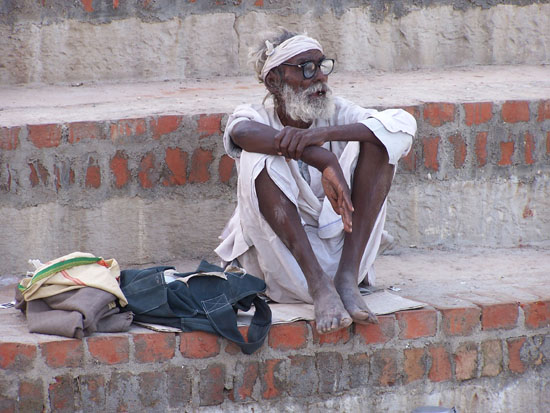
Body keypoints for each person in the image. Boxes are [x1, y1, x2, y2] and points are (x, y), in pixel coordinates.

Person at [215, 28, 417, 333]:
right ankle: (320, 287)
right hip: (285, 264)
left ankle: (346, 280)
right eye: (306, 69)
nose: (319, 77)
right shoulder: (254, 115)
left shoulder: (337, 113)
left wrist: (320, 135)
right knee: (258, 155)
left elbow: (402, 124)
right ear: (274, 81)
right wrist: (324, 158)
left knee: (380, 140)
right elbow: (239, 133)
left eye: (322, 66)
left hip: (345, 257)